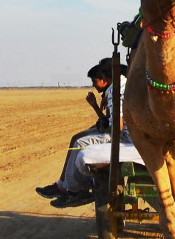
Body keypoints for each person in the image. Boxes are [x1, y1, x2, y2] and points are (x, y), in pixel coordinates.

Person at [37, 59, 118, 208]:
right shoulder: (111, 91)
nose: (93, 85)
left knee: (79, 143)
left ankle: (74, 190)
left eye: (95, 81)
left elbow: (115, 124)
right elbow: (109, 120)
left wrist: (95, 108)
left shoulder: (115, 91)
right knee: (76, 138)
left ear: (104, 79)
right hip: (112, 130)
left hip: (117, 134)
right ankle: (62, 184)